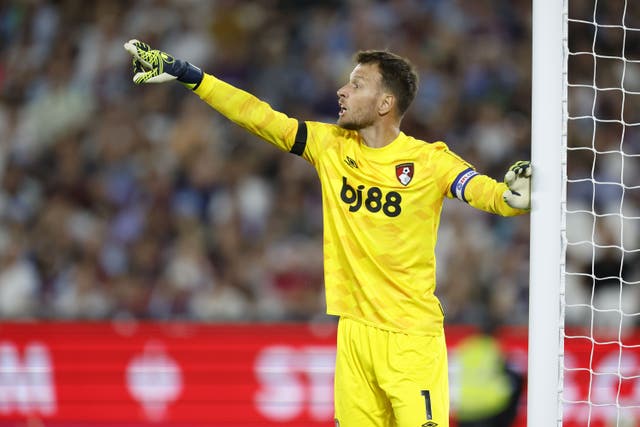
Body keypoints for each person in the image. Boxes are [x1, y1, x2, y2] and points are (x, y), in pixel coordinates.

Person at [124, 39, 531, 427]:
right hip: (353, 333)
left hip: (411, 338)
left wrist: (510, 198)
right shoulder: (331, 146)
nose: (342, 91)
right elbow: (259, 116)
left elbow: (479, 189)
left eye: (356, 85)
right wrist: (192, 76)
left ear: (386, 102)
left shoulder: (428, 161)